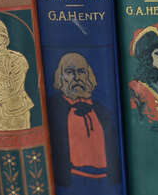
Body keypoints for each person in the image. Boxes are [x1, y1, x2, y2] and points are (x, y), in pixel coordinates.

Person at [48, 52, 118, 187]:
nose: (77, 78)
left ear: (88, 75)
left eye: (81, 72)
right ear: (60, 77)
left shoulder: (103, 112)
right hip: (70, 182)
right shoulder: (52, 109)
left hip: (105, 182)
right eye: (69, 72)